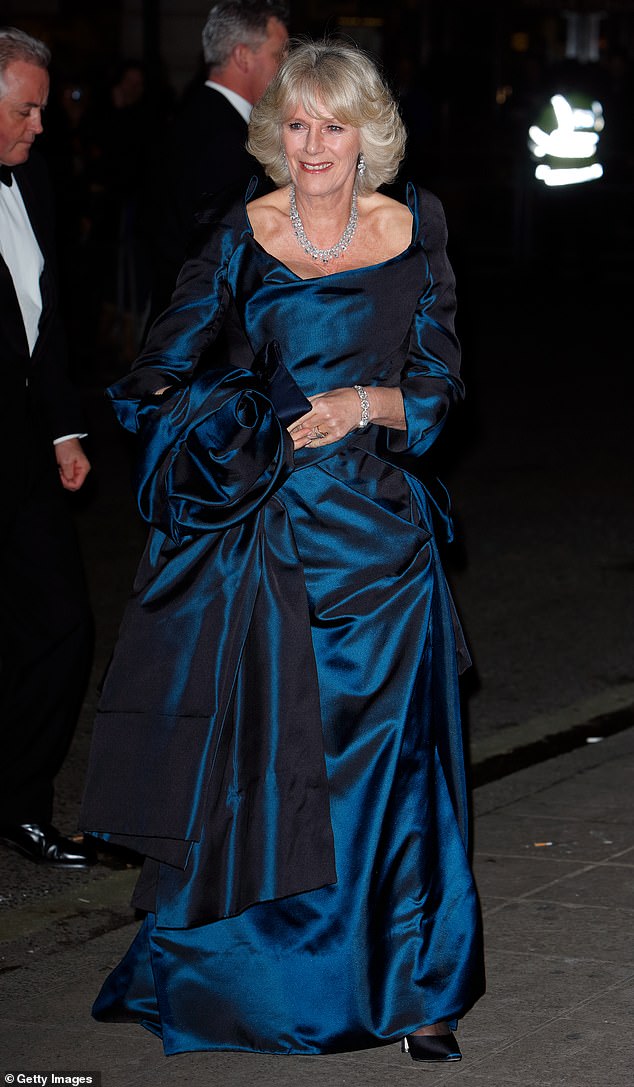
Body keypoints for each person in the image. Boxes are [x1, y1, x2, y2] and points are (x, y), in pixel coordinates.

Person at [80, 38, 485, 1060]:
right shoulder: (240, 233)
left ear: (366, 136)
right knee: (269, 771)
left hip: (384, 549)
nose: (312, 145)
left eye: (333, 125)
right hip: (269, 546)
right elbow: (154, 375)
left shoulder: (415, 225)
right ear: (276, 132)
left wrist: (362, 400)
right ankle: (265, 984)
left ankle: (417, 987)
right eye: (296, 124)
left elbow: (442, 391)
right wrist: (239, 408)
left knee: (397, 776)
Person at [0, 27, 94, 867]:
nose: (41, 123)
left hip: (26, 447)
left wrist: (65, 425)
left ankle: (21, 800)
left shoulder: (30, 178)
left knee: (62, 624)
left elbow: (46, 317)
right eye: (25, 107)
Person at [147, 0, 289, 323]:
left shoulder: (200, 114)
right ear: (243, 56)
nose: (285, 66)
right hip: (203, 330)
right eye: (278, 54)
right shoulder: (220, 136)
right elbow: (223, 254)